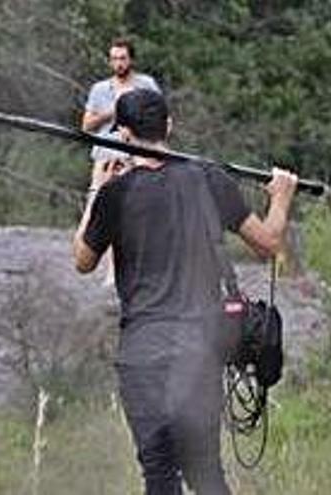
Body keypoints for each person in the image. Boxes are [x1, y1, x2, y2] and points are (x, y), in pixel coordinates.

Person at [72, 89, 298, 494]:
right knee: (205, 470)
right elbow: (267, 243)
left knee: (159, 474)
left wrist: (96, 186)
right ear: (169, 125)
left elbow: (83, 261)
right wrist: (281, 198)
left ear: (122, 135)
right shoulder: (209, 179)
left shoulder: (115, 194)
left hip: (142, 355)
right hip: (198, 351)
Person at [82, 38, 161, 285]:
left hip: (135, 153)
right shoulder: (99, 90)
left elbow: (159, 115)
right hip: (105, 154)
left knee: (132, 210)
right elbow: (86, 125)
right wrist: (114, 111)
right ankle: (103, 262)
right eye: (114, 58)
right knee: (100, 205)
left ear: (131, 59)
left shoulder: (146, 84)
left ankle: (126, 267)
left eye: (122, 58)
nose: (118, 63)